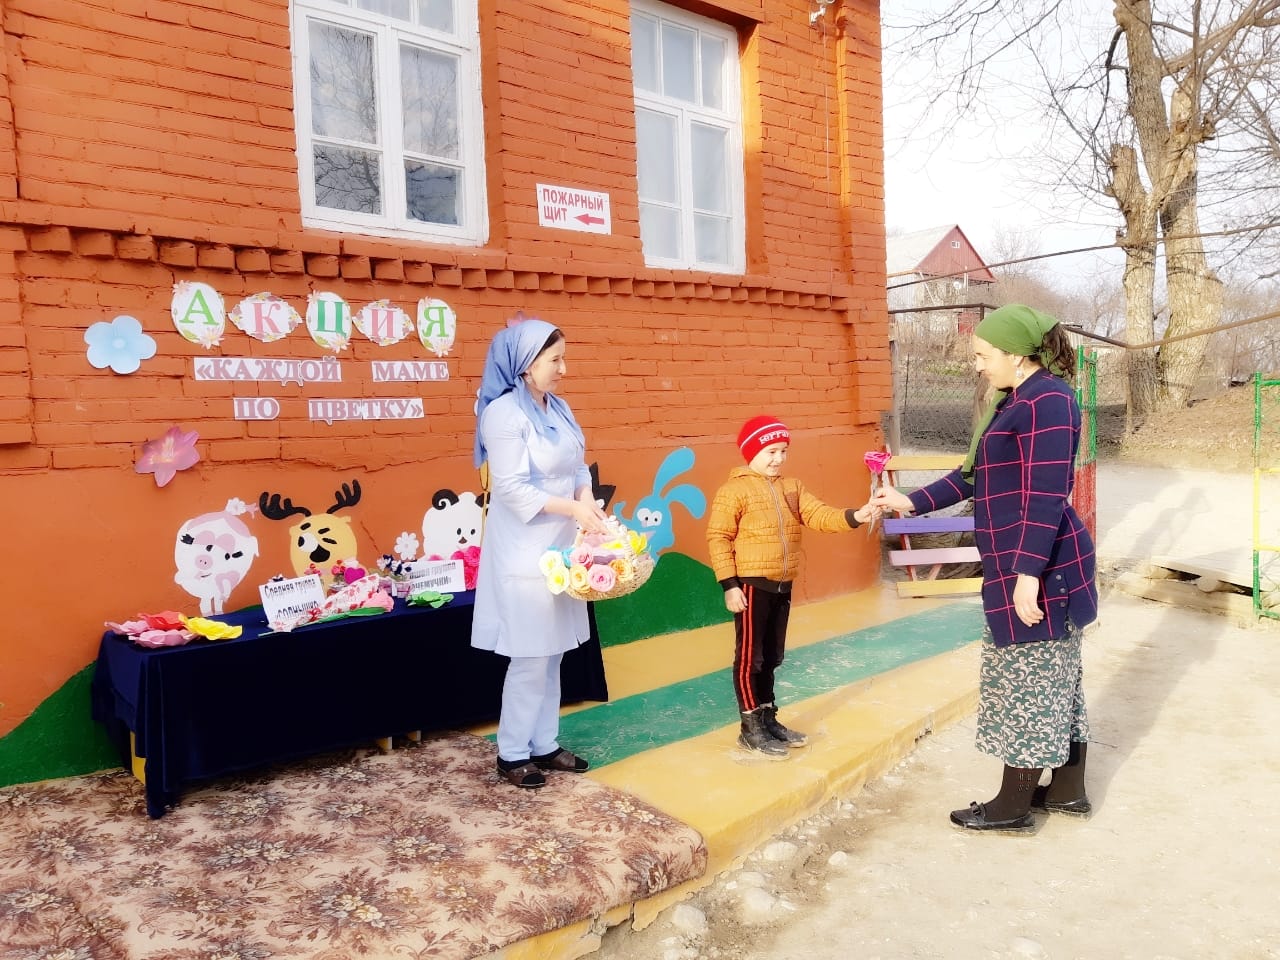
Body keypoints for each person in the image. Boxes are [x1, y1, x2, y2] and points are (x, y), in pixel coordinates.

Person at [872, 304, 1098, 831]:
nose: (976, 365)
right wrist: (910, 502)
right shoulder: (1017, 399)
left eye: (982, 355)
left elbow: (1046, 494)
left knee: (1028, 680)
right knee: (1055, 678)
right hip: (1019, 556)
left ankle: (1012, 807)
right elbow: (973, 475)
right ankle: (1067, 791)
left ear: (1016, 354)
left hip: (1039, 563)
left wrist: (1027, 575)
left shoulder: (1047, 402)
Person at [472, 317, 609, 789]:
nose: (563, 369)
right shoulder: (503, 415)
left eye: (563, 358)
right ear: (526, 364)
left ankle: (544, 743)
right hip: (525, 550)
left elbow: (578, 466)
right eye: (555, 360)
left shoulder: (558, 408)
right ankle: (512, 753)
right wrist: (572, 507)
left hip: (563, 547)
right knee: (530, 655)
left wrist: (586, 501)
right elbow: (511, 488)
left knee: (554, 652)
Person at [706, 415, 877, 758]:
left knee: (772, 656)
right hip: (751, 585)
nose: (778, 458)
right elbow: (718, 537)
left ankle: (768, 718)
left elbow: (819, 515)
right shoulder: (734, 491)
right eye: (771, 451)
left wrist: (856, 516)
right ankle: (750, 727)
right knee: (750, 659)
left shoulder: (792, 487)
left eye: (783, 450)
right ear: (751, 452)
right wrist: (729, 585)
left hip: (782, 585)